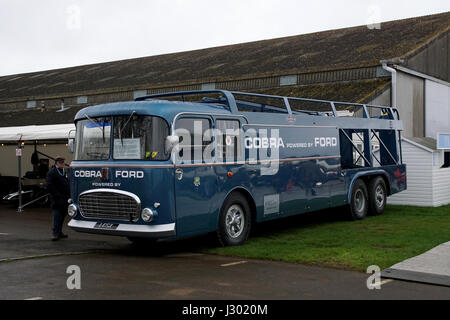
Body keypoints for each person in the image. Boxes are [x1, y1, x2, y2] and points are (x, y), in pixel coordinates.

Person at [46, 156, 70, 241]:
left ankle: (59, 232)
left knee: (63, 216)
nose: (62, 164)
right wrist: (56, 195)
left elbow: (68, 182)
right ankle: (55, 233)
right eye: (61, 162)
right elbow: (49, 186)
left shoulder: (65, 171)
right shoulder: (52, 172)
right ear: (57, 163)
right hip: (56, 198)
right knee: (57, 216)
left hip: (65, 197)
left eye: (63, 162)